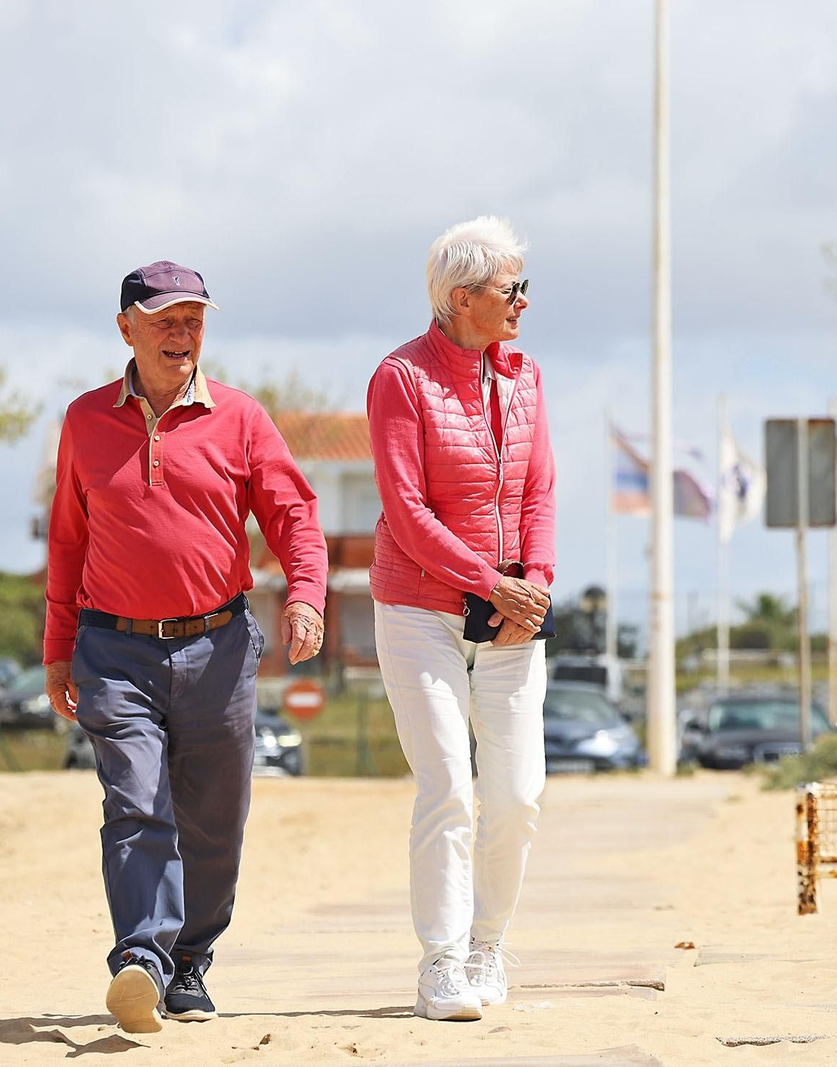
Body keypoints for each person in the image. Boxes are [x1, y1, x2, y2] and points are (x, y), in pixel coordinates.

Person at [44, 260, 328, 1033]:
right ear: (126, 327)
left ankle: (190, 957)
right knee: (135, 803)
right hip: (114, 649)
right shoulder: (83, 420)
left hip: (220, 649)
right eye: (166, 320)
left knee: (214, 816)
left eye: (195, 320)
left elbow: (295, 515)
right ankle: (141, 956)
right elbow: (68, 540)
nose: (183, 334)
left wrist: (306, 592)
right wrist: (57, 648)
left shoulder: (240, 417)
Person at [366, 216, 556, 1021]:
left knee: (515, 795)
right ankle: (441, 961)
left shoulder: (526, 375)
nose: (523, 303)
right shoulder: (400, 379)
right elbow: (406, 513)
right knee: (447, 783)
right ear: (461, 298)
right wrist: (489, 581)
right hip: (418, 611)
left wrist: (534, 585)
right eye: (513, 289)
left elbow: (541, 491)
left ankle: (488, 943)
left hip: (512, 617)